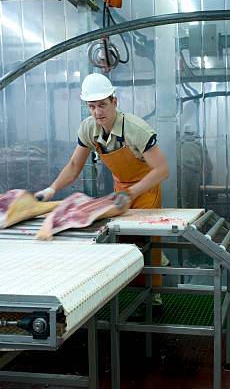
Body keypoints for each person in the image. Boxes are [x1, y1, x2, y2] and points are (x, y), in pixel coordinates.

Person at [35, 73, 170, 300]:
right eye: (92, 106)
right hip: (122, 189)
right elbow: (74, 164)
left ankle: (153, 296)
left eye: (102, 105)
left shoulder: (136, 129)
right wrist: (52, 188)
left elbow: (162, 169)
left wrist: (133, 192)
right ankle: (129, 293)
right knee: (124, 240)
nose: (98, 112)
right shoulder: (89, 129)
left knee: (147, 240)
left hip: (145, 188)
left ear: (114, 102)